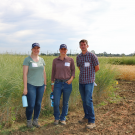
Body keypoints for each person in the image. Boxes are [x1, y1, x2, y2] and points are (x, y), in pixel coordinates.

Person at [76, 39, 99, 129]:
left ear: (87, 46)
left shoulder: (92, 56)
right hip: (81, 81)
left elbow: (97, 68)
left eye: (84, 44)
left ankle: (92, 121)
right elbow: (79, 67)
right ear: (80, 47)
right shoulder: (78, 57)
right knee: (84, 100)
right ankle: (86, 117)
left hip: (89, 82)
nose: (83, 46)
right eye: (81, 45)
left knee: (88, 100)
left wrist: (90, 76)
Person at [23, 43, 46, 128]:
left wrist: (45, 84)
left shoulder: (42, 60)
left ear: (39, 49)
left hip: (40, 85)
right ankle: (29, 121)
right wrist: (25, 88)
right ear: (32, 49)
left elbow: (44, 72)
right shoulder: (27, 60)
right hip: (31, 85)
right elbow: (24, 74)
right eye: (34, 48)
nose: (36, 50)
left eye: (38, 48)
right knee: (31, 104)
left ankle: (35, 121)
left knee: (38, 104)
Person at [51, 44, 75, 125]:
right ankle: (56, 118)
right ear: (59, 50)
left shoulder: (70, 60)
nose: (63, 51)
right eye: (62, 49)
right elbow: (53, 72)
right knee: (56, 102)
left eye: (65, 49)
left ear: (67, 50)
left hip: (67, 84)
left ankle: (63, 118)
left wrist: (71, 79)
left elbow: (73, 71)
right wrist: (52, 83)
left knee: (65, 102)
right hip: (57, 83)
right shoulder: (55, 60)